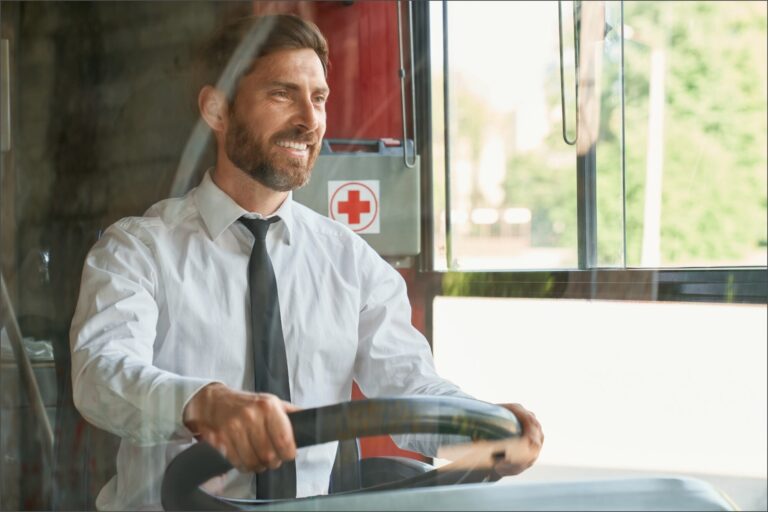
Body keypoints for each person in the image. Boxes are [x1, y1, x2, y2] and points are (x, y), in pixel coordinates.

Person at [69, 13, 543, 511]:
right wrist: (205, 404)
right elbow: (101, 373)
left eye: (318, 98)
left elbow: (410, 384)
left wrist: (479, 425)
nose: (310, 119)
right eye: (282, 94)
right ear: (217, 109)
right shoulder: (138, 251)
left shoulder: (351, 263)